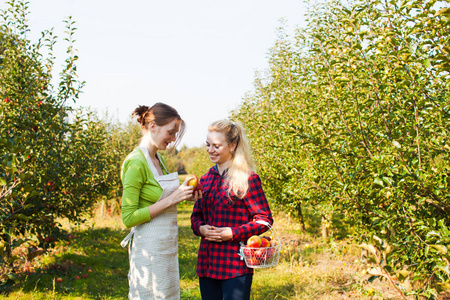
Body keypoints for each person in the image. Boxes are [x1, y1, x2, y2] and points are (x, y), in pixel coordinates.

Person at [120, 102, 201, 300]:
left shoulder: (158, 159)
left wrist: (185, 195)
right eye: (171, 132)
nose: (173, 139)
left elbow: (159, 199)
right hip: (149, 248)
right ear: (153, 126)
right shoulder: (136, 162)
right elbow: (128, 218)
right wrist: (172, 198)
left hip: (167, 246)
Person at [191, 120, 273, 300]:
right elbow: (196, 216)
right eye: (208, 145)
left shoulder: (247, 178)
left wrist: (233, 233)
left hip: (234, 264)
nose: (210, 150)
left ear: (233, 146)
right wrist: (201, 228)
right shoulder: (205, 180)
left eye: (217, 146)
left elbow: (264, 219)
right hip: (207, 263)